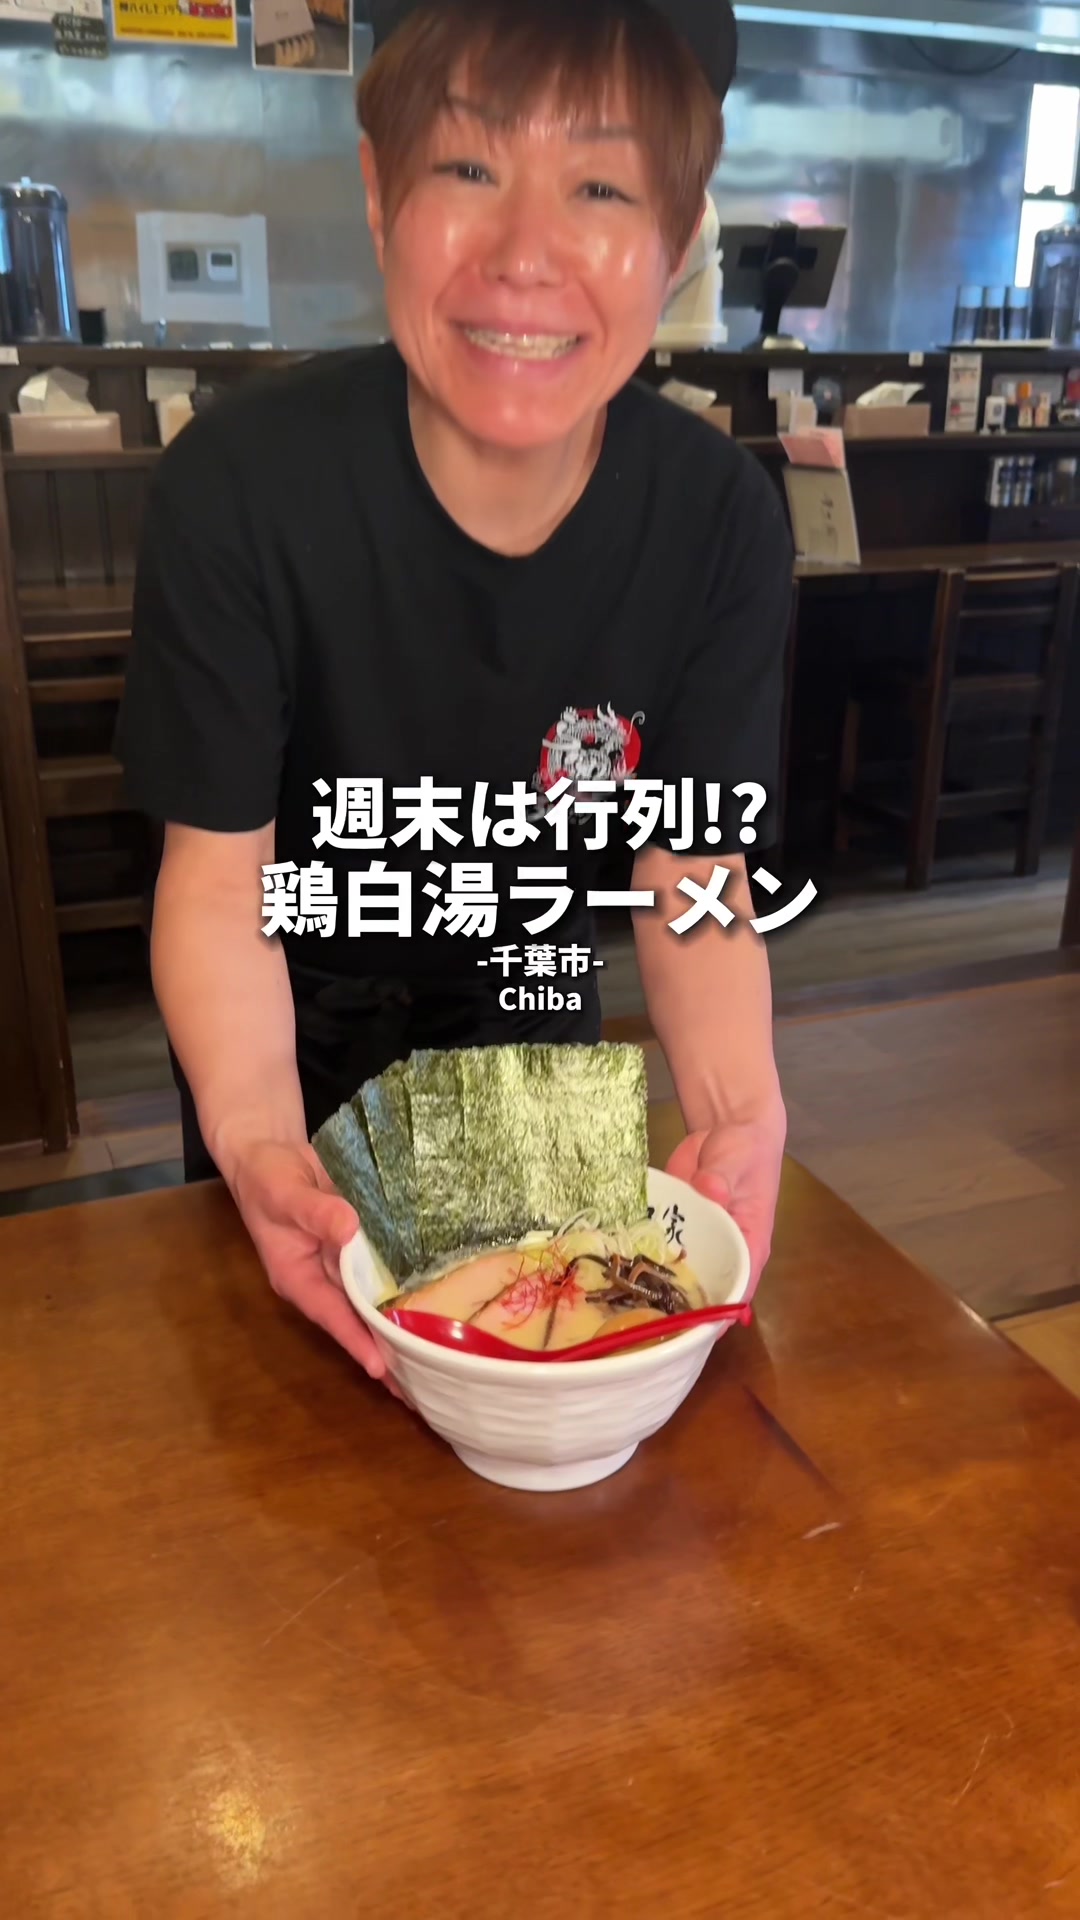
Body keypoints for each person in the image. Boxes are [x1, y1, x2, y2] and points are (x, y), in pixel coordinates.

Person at [116, 0, 794, 1386]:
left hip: (529, 1023)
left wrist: (739, 1107)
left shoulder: (717, 515)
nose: (525, 256)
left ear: (679, 237)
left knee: (536, 1413)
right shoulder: (240, 488)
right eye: (471, 167)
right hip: (279, 1045)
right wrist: (258, 1140)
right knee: (288, 1432)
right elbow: (220, 882)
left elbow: (693, 870)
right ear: (380, 193)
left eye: (602, 186)